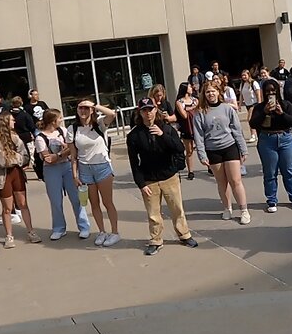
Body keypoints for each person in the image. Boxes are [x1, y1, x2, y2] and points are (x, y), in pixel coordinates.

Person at [127, 98, 200, 255]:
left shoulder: (166, 129)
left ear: (156, 110)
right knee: (153, 213)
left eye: (150, 109)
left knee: (177, 209)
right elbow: (134, 163)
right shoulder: (134, 135)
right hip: (149, 179)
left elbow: (179, 148)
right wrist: (141, 184)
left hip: (169, 176)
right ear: (140, 113)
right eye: (144, 110)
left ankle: (184, 235)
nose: (148, 113)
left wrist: (162, 136)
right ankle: (156, 240)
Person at [192, 83, 251, 225]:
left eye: (213, 91)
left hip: (229, 147)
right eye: (207, 92)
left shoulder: (227, 109)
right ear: (204, 95)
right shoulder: (200, 113)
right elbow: (199, 136)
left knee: (235, 181)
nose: (210, 94)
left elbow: (237, 130)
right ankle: (227, 208)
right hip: (213, 151)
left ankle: (244, 210)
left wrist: (243, 148)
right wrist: (202, 154)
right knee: (222, 182)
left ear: (218, 92)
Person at [34, 109, 90, 241]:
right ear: (53, 121)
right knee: (55, 200)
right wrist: (63, 152)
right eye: (59, 118)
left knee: (76, 198)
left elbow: (72, 149)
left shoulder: (63, 131)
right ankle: (59, 228)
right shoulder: (40, 138)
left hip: (68, 167)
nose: (61, 120)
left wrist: (61, 154)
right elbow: (48, 158)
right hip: (51, 170)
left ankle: (84, 226)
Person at [71, 100, 121, 247]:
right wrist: (75, 175)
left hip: (102, 166)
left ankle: (115, 232)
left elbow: (112, 114)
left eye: (86, 108)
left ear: (91, 110)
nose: (83, 110)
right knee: (94, 204)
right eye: (81, 108)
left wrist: (94, 105)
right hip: (85, 168)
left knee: (107, 202)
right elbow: (73, 155)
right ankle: (102, 231)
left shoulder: (99, 123)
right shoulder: (73, 128)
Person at [0, 113, 39, 248]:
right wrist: (16, 158)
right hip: (2, 176)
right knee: (7, 208)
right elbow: (2, 161)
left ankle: (31, 231)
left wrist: (15, 158)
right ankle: (9, 236)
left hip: (17, 173)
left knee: (23, 203)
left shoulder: (15, 137)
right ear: (4, 122)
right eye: (11, 120)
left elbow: (25, 156)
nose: (14, 122)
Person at [252, 79, 292, 212]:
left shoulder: (286, 104)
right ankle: (271, 200)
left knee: (289, 171)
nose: (270, 93)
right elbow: (253, 123)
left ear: (277, 91)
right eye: (267, 91)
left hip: (285, 138)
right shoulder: (259, 107)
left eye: (273, 90)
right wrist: (264, 111)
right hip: (267, 140)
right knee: (270, 172)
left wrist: (282, 113)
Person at [174, 82, 199, 180]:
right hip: (186, 127)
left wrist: (189, 108)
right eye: (189, 86)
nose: (191, 88)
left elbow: (199, 110)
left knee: (203, 147)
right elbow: (184, 115)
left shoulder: (195, 99)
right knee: (189, 151)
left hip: (196, 126)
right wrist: (193, 108)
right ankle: (190, 171)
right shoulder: (179, 102)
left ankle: (209, 166)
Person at [238, 70, 262, 143]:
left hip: (254, 104)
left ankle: (253, 135)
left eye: (245, 75)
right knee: (254, 120)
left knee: (250, 119)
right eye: (242, 75)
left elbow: (258, 94)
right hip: (247, 105)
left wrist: (259, 103)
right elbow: (241, 96)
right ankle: (257, 134)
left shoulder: (253, 83)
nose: (243, 77)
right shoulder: (242, 84)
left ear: (249, 75)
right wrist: (239, 105)